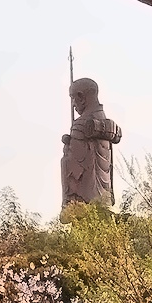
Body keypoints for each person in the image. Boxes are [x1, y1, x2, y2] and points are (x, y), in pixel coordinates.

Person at [60, 78, 121, 212]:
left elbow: (76, 165)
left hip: (86, 197)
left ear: (81, 97)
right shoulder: (105, 122)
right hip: (102, 195)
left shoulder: (81, 125)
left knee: (64, 161)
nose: (73, 105)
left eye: (73, 99)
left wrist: (68, 151)